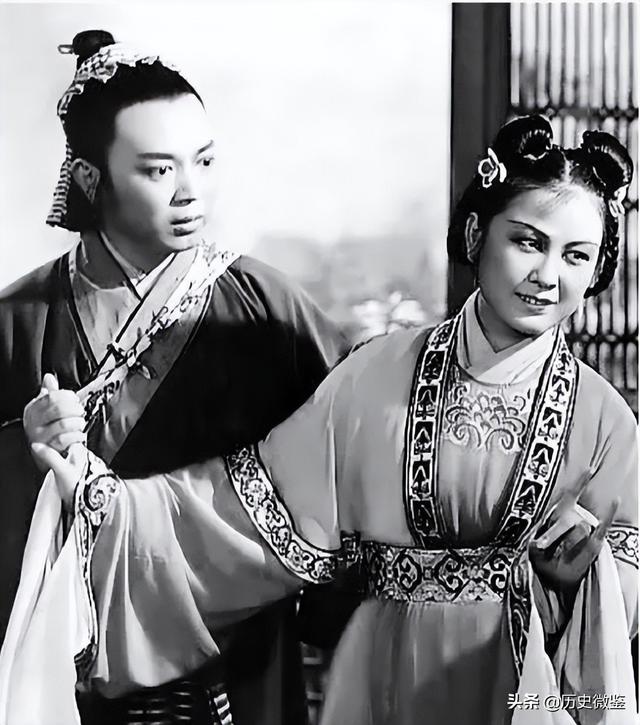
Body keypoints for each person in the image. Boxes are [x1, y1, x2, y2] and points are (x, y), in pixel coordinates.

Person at [10, 115, 638, 724]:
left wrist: (580, 584)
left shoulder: (604, 421)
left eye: (576, 256)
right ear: (477, 234)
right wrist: (98, 500)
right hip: (385, 675)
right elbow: (243, 516)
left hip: (527, 684)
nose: (547, 276)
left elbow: (625, 595)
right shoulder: (375, 376)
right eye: (527, 242)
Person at [0, 30, 348, 725]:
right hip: (74, 671)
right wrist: (22, 449)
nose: (192, 191)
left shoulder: (266, 309)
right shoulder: (19, 320)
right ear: (90, 179)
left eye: (205, 160)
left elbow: (348, 451)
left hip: (236, 665)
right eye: (160, 170)